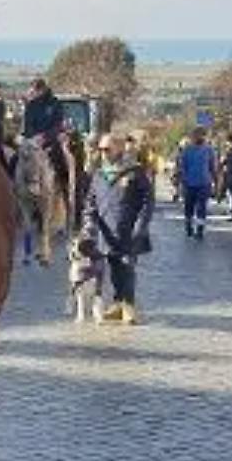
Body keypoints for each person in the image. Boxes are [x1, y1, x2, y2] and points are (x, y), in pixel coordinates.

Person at [80, 132, 153, 325]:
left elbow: (148, 202)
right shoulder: (98, 174)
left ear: (119, 149)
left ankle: (128, 306)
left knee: (127, 267)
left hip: (129, 230)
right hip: (107, 232)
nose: (103, 153)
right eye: (101, 149)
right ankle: (117, 304)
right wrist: (88, 224)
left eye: (107, 149)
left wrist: (141, 226)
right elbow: (90, 202)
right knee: (114, 269)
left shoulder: (135, 172)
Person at [176, 128, 217, 240]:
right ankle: (188, 225)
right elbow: (182, 167)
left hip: (204, 184)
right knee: (188, 207)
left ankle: (200, 230)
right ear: (193, 136)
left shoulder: (209, 150)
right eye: (198, 135)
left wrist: (216, 182)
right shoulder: (187, 150)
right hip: (189, 184)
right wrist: (181, 181)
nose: (200, 137)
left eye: (202, 135)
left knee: (201, 207)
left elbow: (213, 167)